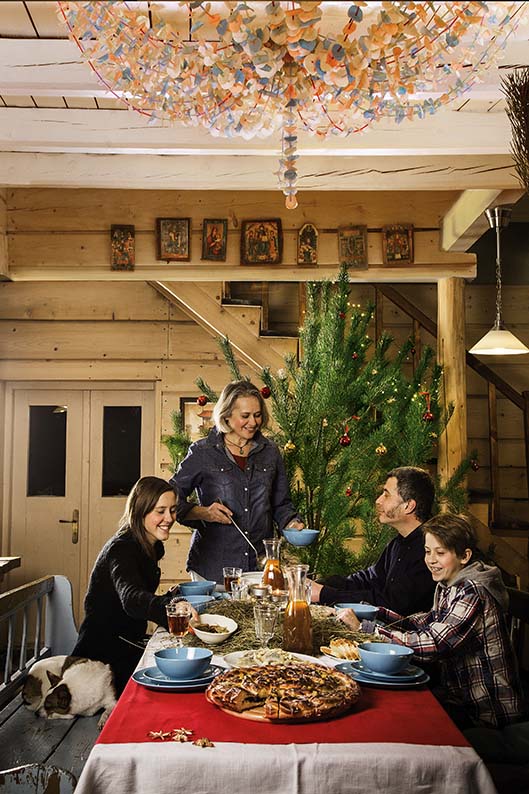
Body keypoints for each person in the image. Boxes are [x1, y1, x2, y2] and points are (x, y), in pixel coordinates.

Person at [338, 513, 525, 729]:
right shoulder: (449, 585)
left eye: (440, 553)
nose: (431, 560)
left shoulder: (473, 591)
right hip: (458, 701)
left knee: (396, 720)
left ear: (464, 556)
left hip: (487, 715)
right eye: (427, 551)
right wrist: (375, 613)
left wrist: (367, 629)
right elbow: (423, 622)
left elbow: (435, 644)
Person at [169, 380, 303, 583]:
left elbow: (281, 504)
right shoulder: (202, 452)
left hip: (259, 567)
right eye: (245, 416)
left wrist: (292, 523)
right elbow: (170, 499)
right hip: (212, 568)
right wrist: (203, 513)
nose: (253, 422)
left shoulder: (270, 452)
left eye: (257, 415)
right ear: (226, 415)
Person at [72, 476, 178, 694]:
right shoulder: (122, 548)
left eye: (173, 510)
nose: (169, 518)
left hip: (128, 643)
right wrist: (171, 608)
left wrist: (172, 597)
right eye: (160, 511)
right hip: (102, 659)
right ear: (140, 511)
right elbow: (132, 599)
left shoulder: (149, 545)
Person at [310, 466, 435, 615]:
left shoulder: (430, 550)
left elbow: (392, 605)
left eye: (386, 495)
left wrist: (325, 594)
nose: (378, 501)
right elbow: (368, 580)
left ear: (408, 506)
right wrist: (318, 585)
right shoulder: (398, 543)